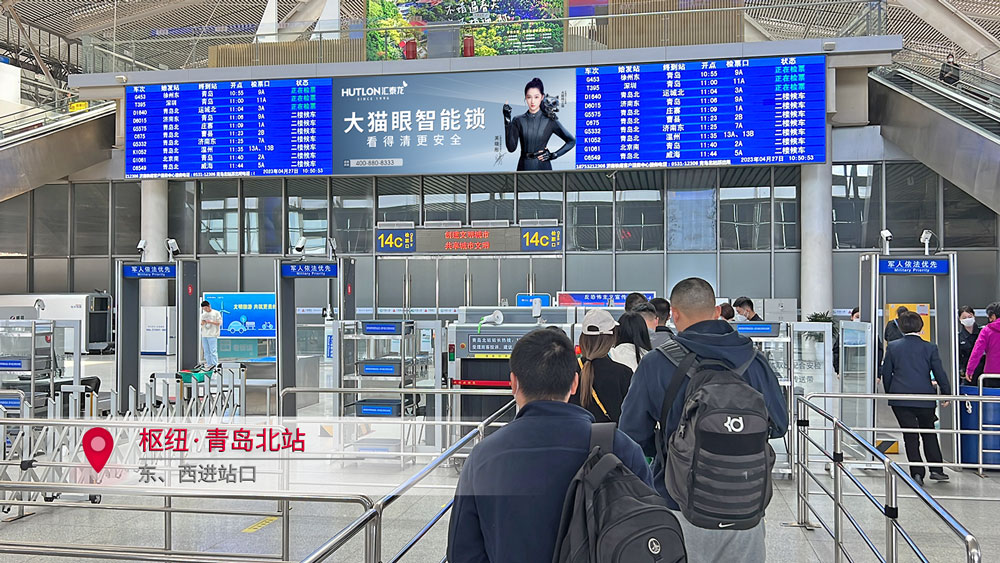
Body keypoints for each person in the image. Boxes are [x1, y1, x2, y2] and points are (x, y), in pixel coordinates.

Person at [447, 328, 653, 562]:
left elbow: (461, 552)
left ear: (513, 383)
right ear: (574, 383)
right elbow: (647, 532)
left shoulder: (484, 457)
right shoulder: (622, 448)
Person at [620, 278, 788, 563]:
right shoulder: (754, 360)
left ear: (674, 314)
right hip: (745, 506)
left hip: (678, 504)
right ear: (716, 312)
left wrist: (668, 445)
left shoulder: (655, 363)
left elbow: (631, 434)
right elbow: (780, 424)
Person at [881, 311, 951, 485]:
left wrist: (891, 393)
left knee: (910, 435)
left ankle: (917, 473)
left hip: (901, 399)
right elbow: (939, 373)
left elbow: (886, 373)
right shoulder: (930, 347)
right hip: (924, 398)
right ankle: (936, 470)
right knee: (928, 432)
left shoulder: (893, 347)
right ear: (921, 326)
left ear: (901, 327)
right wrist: (946, 394)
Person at [570, 309, 634, 422]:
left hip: (575, 432)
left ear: (582, 338)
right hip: (611, 433)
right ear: (611, 338)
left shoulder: (568, 371)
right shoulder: (623, 373)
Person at [503, 77, 576, 171]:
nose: (532, 101)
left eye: (536, 97)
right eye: (529, 97)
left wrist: (554, 155)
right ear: (525, 97)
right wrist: (507, 119)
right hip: (523, 167)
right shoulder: (518, 120)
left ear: (542, 97)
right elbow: (511, 148)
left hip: (543, 167)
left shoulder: (550, 120)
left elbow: (571, 141)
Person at [967, 302, 1000, 386]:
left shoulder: (987, 330)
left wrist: (970, 370)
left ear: (993, 316)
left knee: (991, 394)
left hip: (992, 374)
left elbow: (977, 351)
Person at [958, 306, 983, 382]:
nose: (967, 319)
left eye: (969, 316)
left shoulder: (982, 332)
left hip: (983, 371)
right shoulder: (958, 337)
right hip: (967, 373)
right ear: (960, 319)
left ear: (974, 316)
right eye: (964, 317)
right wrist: (961, 371)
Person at [200, 300, 222, 367]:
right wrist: (203, 322)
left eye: (206, 308)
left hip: (212, 334)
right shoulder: (203, 315)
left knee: (213, 351)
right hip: (204, 334)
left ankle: (215, 364)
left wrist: (210, 322)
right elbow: (201, 324)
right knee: (206, 351)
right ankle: (209, 364)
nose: (205, 310)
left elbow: (219, 323)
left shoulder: (216, 313)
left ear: (209, 306)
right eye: (204, 309)